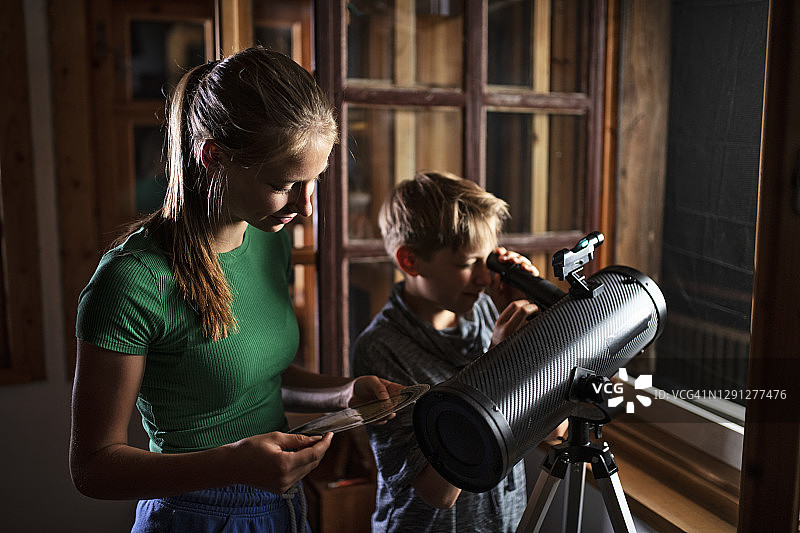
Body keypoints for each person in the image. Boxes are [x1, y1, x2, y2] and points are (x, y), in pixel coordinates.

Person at [70, 47, 403, 533]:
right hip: (192, 516)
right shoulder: (131, 281)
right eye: (285, 183)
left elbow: (257, 374)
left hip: (283, 507)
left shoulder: (269, 241)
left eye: (315, 183)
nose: (306, 208)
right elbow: (93, 468)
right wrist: (234, 464)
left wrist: (341, 394)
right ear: (215, 157)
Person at [352, 171, 563, 533]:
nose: (483, 278)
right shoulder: (381, 349)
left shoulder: (486, 311)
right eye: (467, 264)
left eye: (488, 261)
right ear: (410, 261)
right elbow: (439, 493)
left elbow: (556, 430)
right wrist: (499, 363)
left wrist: (534, 340)